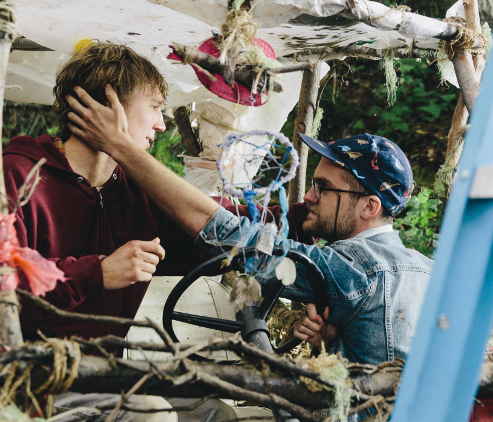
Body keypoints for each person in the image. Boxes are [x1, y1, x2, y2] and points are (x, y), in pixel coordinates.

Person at [0, 41, 310, 422]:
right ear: (110, 106)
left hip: (103, 374)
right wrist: (97, 273)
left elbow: (225, 227)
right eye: (155, 106)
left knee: (215, 413)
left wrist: (309, 218)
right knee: (152, 415)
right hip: (24, 378)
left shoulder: (136, 191)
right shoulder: (17, 175)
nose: (162, 122)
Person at [65, 85, 434, 366]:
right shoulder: (429, 270)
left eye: (323, 188)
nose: (307, 196)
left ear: (370, 206)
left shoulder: (356, 267)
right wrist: (335, 336)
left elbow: (230, 235)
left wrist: (122, 147)